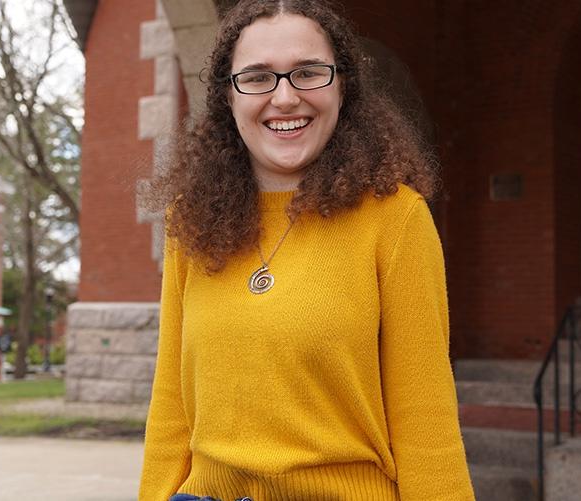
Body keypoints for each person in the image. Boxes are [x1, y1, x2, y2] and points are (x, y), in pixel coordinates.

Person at [139, 0, 475, 499]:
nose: (285, 98)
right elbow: (171, 404)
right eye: (256, 78)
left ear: (342, 86)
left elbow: (425, 415)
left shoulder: (395, 218)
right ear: (228, 98)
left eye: (308, 73)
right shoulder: (189, 220)